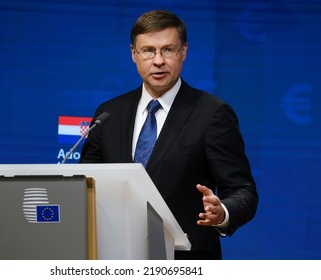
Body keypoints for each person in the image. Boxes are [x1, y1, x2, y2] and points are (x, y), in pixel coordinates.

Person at [80, 9, 258, 260]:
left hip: (185, 259)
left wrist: (222, 213)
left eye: (168, 49)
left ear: (183, 52)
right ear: (134, 54)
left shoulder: (212, 114)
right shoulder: (109, 113)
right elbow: (85, 183)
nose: (158, 60)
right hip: (113, 256)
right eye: (149, 50)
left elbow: (243, 191)